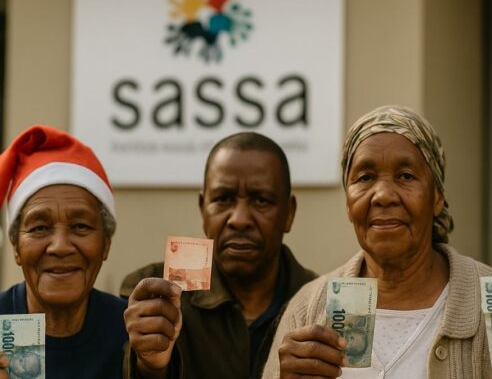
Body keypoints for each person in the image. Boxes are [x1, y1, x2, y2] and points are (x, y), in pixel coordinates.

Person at [262, 105, 492, 379]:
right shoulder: (308, 308)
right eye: (365, 178)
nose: (384, 195)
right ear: (348, 202)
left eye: (406, 176)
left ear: (437, 197)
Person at [121, 132, 317, 379]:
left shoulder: (319, 303)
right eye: (223, 199)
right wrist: (150, 365)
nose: (239, 220)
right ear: (203, 208)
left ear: (289, 213)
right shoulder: (154, 297)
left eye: (261, 200)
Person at [0, 125, 127, 378]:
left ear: (106, 244)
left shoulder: (134, 334)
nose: (60, 247)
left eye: (81, 226)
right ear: (15, 246)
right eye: (39, 228)